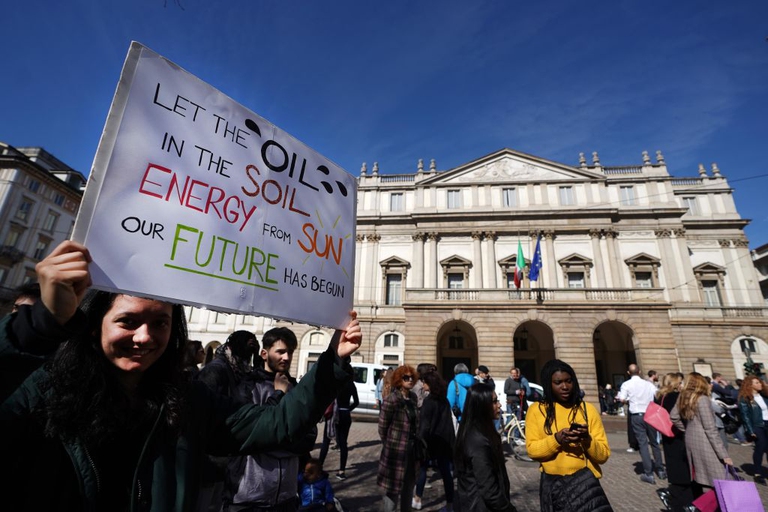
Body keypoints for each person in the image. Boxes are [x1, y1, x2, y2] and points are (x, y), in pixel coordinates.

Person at [0, 240, 363, 510]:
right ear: (96, 325)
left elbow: (276, 422)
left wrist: (333, 361)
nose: (144, 337)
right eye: (127, 321)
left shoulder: (188, 401)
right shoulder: (44, 389)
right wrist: (40, 324)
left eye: (160, 323)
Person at [224, 326, 315, 511]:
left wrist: (274, 442)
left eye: (290, 352)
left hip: (287, 496)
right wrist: (278, 394)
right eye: (280, 351)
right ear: (264, 354)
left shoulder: (296, 389)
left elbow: (309, 436)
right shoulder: (247, 385)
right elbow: (254, 432)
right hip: (248, 496)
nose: (287, 357)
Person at [526, 359, 611, 512]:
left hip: (584, 486)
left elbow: (603, 456)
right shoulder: (537, 410)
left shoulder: (587, 410)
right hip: (553, 485)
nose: (565, 387)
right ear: (548, 384)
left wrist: (587, 440)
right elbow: (533, 451)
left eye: (568, 381)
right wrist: (557, 439)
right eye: (558, 382)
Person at [196, 329, 260, 512]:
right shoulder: (216, 370)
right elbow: (201, 415)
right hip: (208, 460)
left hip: (225, 460)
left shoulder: (238, 370)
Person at [454, 383, 517, 512]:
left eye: (497, 400)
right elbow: (489, 489)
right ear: (481, 406)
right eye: (494, 402)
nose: (499, 405)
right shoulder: (477, 441)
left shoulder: (483, 432)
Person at [670, 373, 733, 500]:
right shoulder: (702, 399)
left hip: (691, 439)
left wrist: (687, 429)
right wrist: (724, 455)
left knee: (703, 475)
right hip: (705, 441)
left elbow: (673, 416)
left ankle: (706, 504)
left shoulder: (683, 396)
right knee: (719, 476)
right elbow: (710, 429)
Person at [377, 365, 420, 511]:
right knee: (393, 490)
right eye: (405, 378)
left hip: (412, 449)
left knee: (408, 487)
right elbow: (382, 427)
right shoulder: (392, 400)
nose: (409, 380)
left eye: (411, 378)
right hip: (396, 451)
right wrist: (390, 443)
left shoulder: (413, 398)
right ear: (398, 380)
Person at [617, 363, 666, 483]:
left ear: (628, 373)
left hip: (637, 416)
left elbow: (622, 399)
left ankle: (649, 473)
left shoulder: (626, 384)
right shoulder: (648, 384)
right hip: (650, 415)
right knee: (654, 442)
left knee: (643, 444)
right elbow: (657, 394)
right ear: (639, 372)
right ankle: (660, 470)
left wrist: (627, 399)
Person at [413, 371, 455, 512]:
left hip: (430, 441)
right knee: (446, 474)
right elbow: (449, 422)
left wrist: (420, 440)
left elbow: (425, 425)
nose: (422, 384)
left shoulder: (429, 401)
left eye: (424, 382)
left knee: (422, 470)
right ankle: (450, 503)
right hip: (444, 441)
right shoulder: (445, 400)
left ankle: (418, 499)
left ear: (430, 384)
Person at [656, 372, 693, 512]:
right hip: (679, 435)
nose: (683, 385)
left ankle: (674, 494)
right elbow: (679, 416)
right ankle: (676, 496)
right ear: (676, 383)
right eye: (681, 382)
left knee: (675, 465)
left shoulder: (661, 396)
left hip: (667, 435)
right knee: (684, 468)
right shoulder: (676, 397)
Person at [319, 378, 359, 480]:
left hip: (333, 415)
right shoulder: (351, 383)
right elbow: (356, 402)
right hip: (345, 414)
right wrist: (348, 409)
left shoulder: (335, 382)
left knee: (326, 441)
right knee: (343, 443)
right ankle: (342, 471)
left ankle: (319, 467)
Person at [737, 375, 768, 483]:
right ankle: (758, 472)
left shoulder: (764, 396)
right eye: (757, 383)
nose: (760, 384)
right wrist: (750, 430)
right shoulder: (745, 399)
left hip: (767, 423)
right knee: (761, 446)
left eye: (759, 382)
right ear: (750, 385)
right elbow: (745, 416)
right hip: (757, 426)